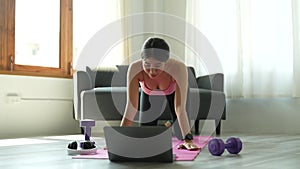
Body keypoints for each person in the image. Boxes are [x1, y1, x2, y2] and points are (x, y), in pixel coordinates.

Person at [120, 37, 200, 150]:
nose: (152, 72)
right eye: (147, 65)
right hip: (148, 93)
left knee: (179, 133)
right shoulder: (134, 68)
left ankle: (171, 123)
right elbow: (131, 106)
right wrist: (120, 138)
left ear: (165, 62)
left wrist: (188, 139)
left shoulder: (178, 68)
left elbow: (180, 108)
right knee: (147, 135)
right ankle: (168, 123)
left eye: (157, 66)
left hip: (173, 92)